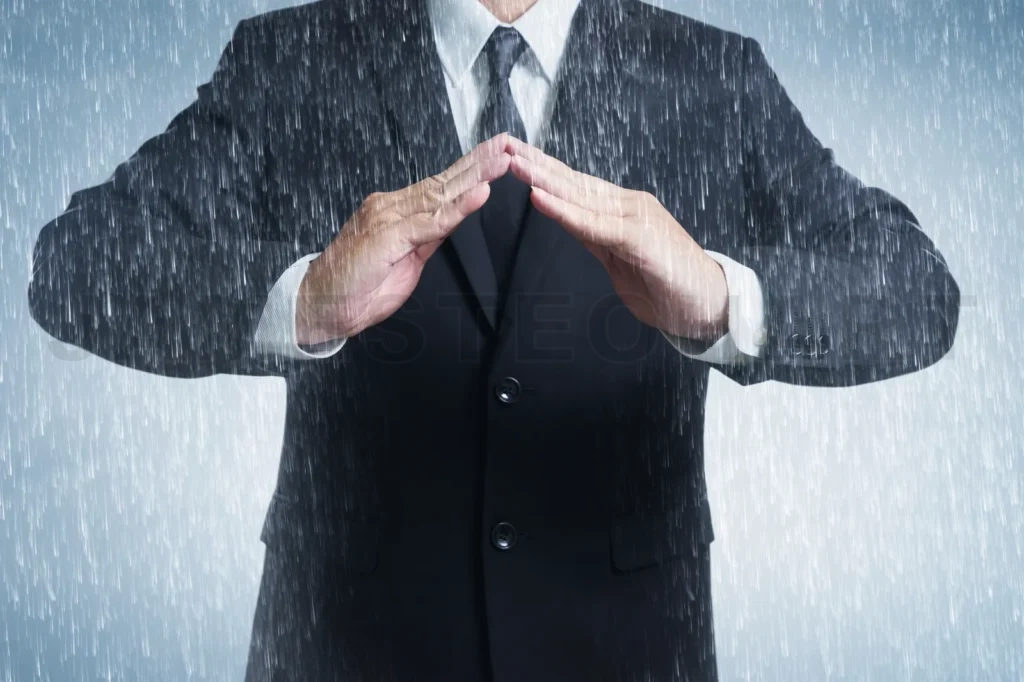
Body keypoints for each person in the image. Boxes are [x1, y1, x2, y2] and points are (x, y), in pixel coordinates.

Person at [26, 0, 961, 679]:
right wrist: (301, 298)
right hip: (349, 648)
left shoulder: (714, 76)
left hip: (624, 648)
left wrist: (722, 298)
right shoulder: (291, 60)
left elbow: (918, 293)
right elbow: (77, 266)